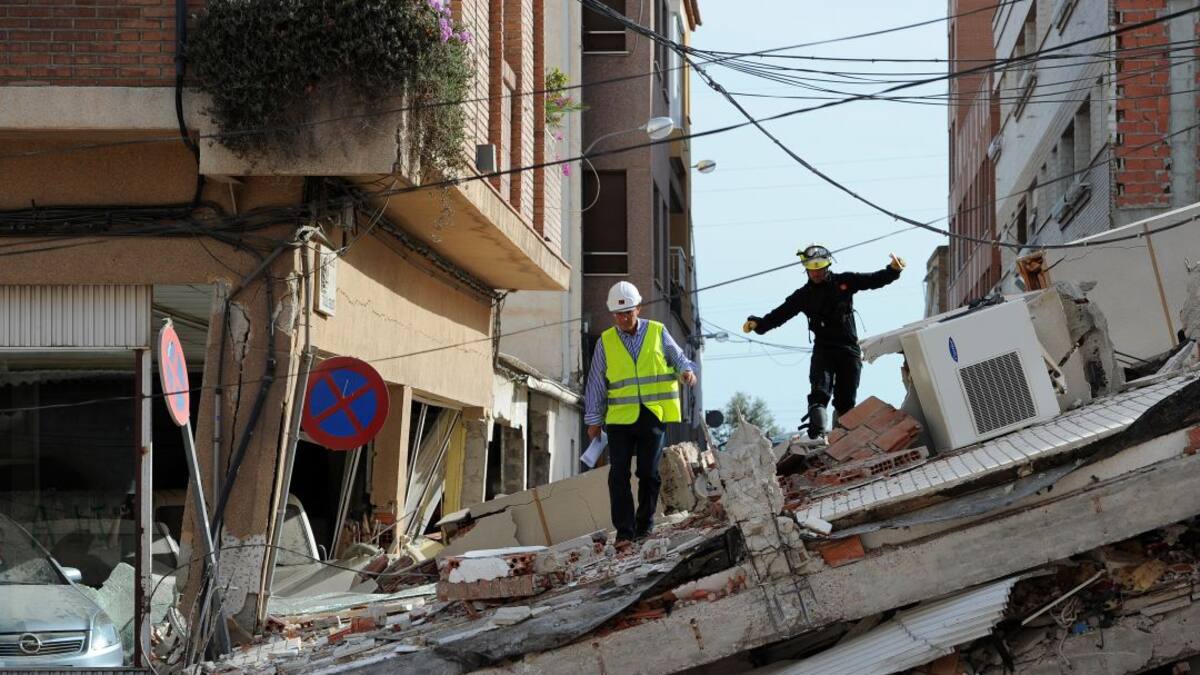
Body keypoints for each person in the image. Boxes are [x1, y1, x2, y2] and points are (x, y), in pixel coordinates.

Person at [743, 244, 904, 438]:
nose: (816, 273)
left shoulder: (844, 282)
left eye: (820, 268)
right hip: (824, 351)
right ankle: (817, 433)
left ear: (827, 266)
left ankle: (842, 439)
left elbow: (872, 280)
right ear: (806, 270)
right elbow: (779, 315)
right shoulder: (803, 296)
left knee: (846, 402)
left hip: (848, 351)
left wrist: (892, 271)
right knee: (819, 395)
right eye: (812, 269)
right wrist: (759, 324)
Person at [585, 281, 697, 543]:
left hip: (652, 416)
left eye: (628, 312)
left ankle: (644, 526)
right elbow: (596, 382)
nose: (623, 318)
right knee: (618, 475)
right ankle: (624, 532)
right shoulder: (605, 341)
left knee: (648, 473)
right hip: (619, 420)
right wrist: (593, 420)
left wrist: (687, 372)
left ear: (638, 308)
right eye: (618, 314)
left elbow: (678, 358)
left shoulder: (657, 331)